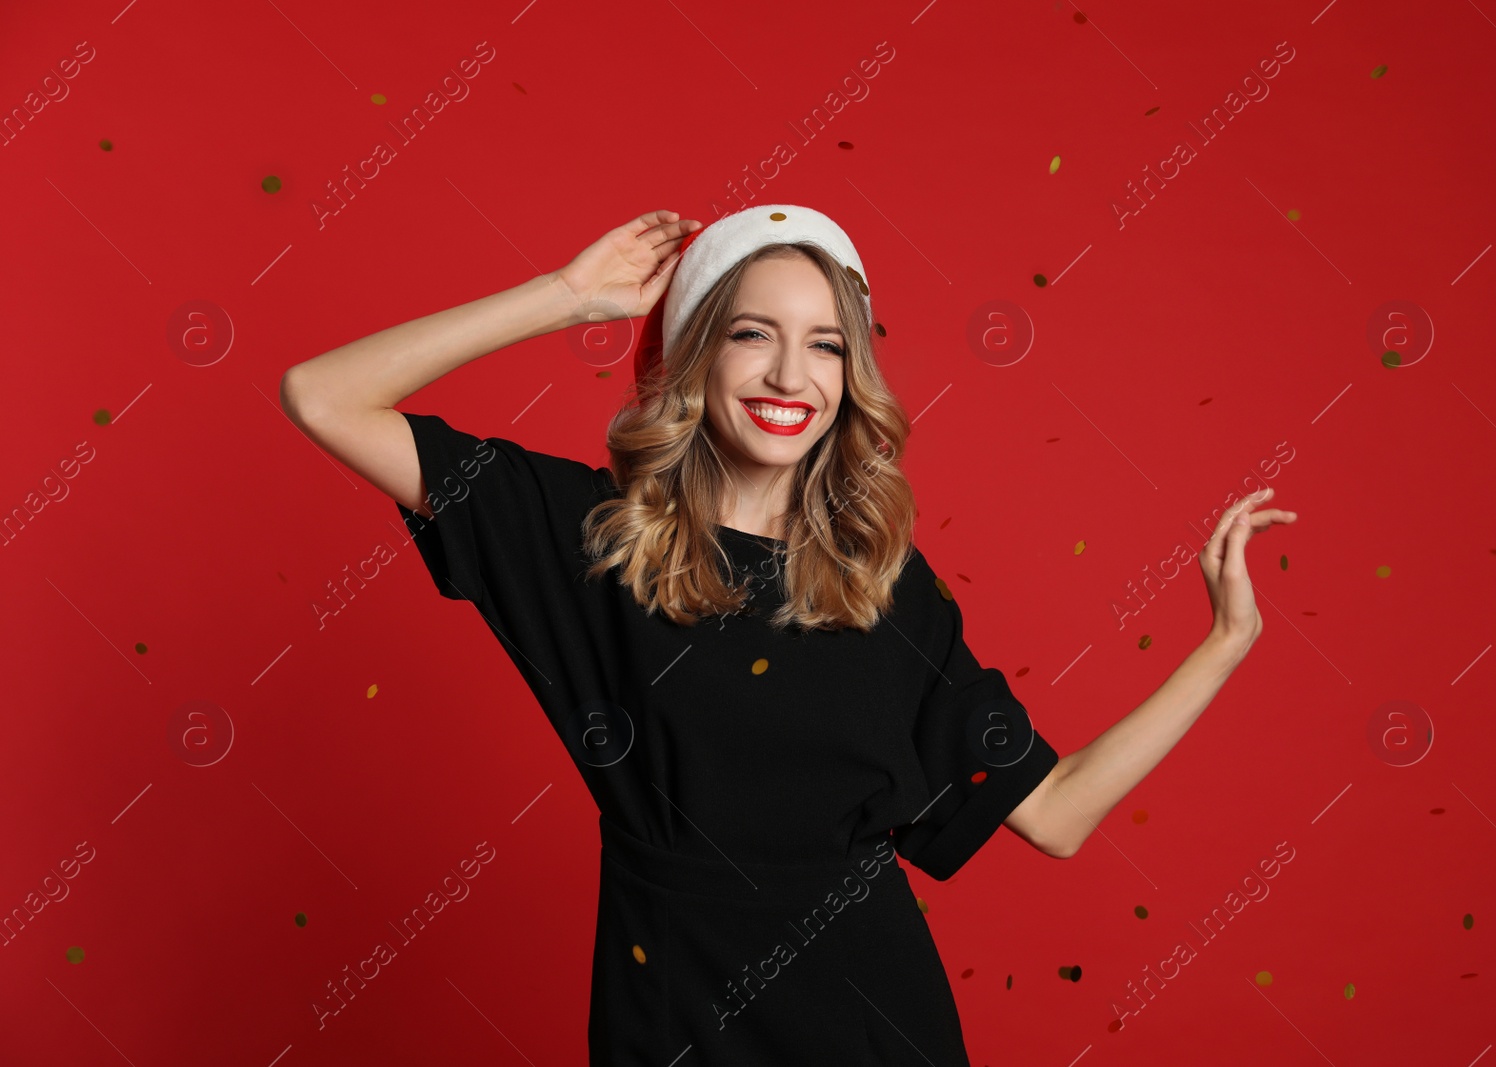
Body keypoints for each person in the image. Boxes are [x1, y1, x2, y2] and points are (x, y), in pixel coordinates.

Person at [280, 205, 1297, 1064]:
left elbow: (1057, 812)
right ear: (693, 352)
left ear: (852, 375)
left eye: (825, 344)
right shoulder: (591, 538)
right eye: (750, 332)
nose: (788, 373)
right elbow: (322, 395)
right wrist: (566, 296)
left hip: (872, 1020)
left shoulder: (886, 593)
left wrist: (1223, 643)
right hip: (666, 1011)